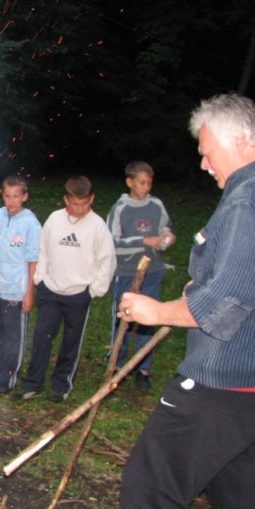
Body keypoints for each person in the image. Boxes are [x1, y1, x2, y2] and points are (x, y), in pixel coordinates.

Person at [119, 93, 255, 509]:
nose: (203, 163)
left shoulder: (250, 199)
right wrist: (202, 285)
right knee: (240, 503)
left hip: (225, 379)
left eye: (207, 151)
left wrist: (159, 310)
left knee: (150, 487)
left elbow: (226, 304)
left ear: (239, 140)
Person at [14, 175, 116, 402]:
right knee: (42, 336)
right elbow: (43, 250)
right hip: (51, 290)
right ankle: (33, 384)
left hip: (79, 294)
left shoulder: (98, 226)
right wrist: (40, 278)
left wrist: (94, 290)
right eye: (75, 204)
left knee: (72, 341)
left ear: (92, 199)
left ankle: (62, 385)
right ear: (66, 200)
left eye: (85, 204)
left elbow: (107, 260)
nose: (80, 209)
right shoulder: (54, 219)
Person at [106, 161, 175, 391]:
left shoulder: (156, 205)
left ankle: (143, 368)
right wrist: (144, 241)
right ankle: (117, 363)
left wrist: (167, 237)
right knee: (123, 317)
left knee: (149, 319)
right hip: (126, 272)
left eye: (149, 183)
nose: (146, 187)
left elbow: (166, 227)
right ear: (129, 182)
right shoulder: (120, 209)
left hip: (152, 271)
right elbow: (112, 242)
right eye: (142, 183)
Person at [0, 175, 42, 395]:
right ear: (2, 195)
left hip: (16, 290)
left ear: (24, 196)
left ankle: (8, 377)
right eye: (7, 196)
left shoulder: (30, 223)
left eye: (16, 196)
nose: (11, 201)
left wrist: (29, 293)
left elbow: (34, 260)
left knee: (12, 336)